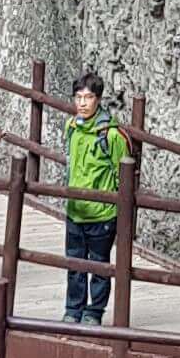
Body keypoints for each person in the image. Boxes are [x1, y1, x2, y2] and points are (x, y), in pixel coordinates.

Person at [62, 70, 128, 323]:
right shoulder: (72, 127)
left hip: (102, 213)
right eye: (78, 97)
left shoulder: (111, 135)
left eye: (88, 97)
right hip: (75, 210)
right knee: (74, 264)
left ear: (98, 99)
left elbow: (124, 175)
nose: (82, 103)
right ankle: (73, 310)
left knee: (99, 265)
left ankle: (94, 312)